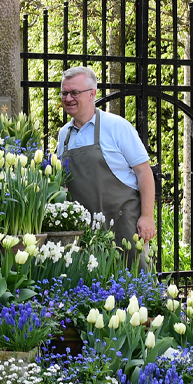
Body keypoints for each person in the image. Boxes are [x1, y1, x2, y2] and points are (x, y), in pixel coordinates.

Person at [53, 65, 156, 257]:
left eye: (75, 93)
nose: (68, 99)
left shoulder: (117, 126)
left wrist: (147, 217)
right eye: (64, 93)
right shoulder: (64, 134)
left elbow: (144, 171)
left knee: (133, 282)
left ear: (92, 94)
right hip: (83, 230)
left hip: (123, 225)